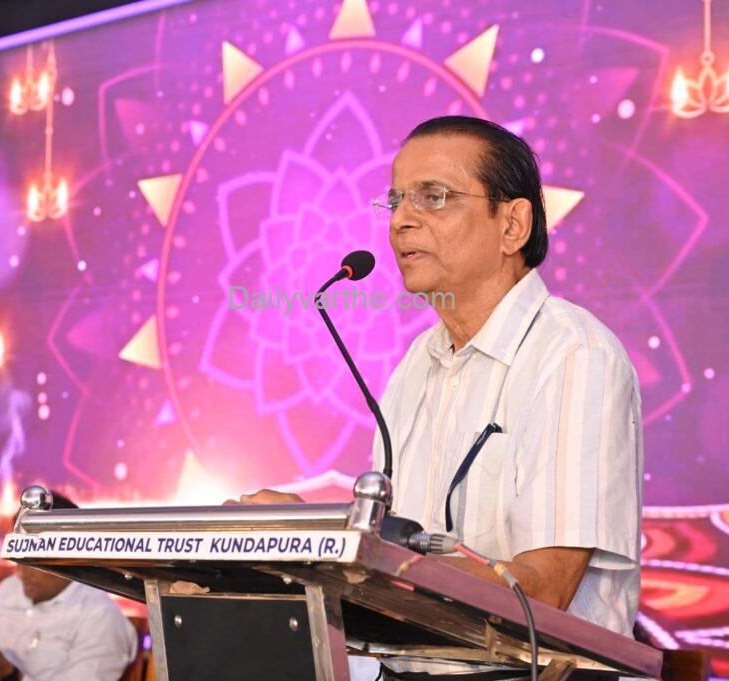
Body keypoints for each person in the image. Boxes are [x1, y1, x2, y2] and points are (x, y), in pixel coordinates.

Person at [233, 116, 643, 679]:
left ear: (513, 225)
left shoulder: (575, 357)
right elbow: (385, 555)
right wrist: (311, 537)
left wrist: (346, 547)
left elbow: (543, 594)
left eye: (434, 197)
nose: (401, 220)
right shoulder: (417, 364)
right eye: (396, 200)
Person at [0, 492, 138, 681]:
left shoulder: (100, 617)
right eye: (19, 556)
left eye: (34, 559)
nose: (21, 572)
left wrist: (10, 675)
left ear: (70, 554)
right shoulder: (9, 590)